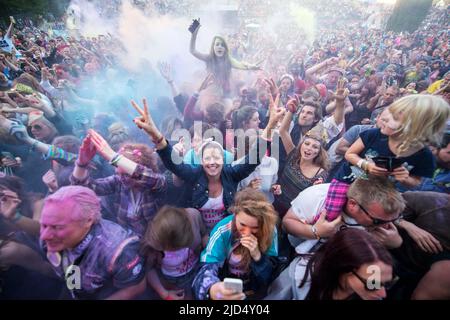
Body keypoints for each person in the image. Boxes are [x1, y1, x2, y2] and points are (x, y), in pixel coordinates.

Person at [130, 97, 284, 232]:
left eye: (216, 157)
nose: (212, 162)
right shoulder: (195, 174)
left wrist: (271, 125)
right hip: (200, 232)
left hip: (228, 229)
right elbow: (173, 164)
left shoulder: (231, 173)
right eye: (208, 158)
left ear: (223, 161)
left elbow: (254, 158)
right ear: (202, 161)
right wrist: (155, 134)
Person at [325, 94, 450, 221]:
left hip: (376, 192)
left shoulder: (424, 155)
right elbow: (349, 154)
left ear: (415, 128)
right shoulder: (373, 135)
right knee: (332, 214)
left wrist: (405, 178)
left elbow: (416, 182)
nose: (384, 118)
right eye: (390, 112)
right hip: (347, 179)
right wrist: (365, 165)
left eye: (394, 117)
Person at [39, 186, 146, 300]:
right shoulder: (50, 240)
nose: (44, 236)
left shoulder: (118, 252)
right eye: (44, 225)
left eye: (57, 227)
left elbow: (136, 287)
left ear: (88, 220)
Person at [71, 129, 167, 237]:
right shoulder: (119, 182)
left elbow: (149, 177)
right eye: (117, 172)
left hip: (157, 240)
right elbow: (85, 188)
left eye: (126, 174)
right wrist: (81, 164)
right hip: (130, 242)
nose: (121, 178)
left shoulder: (156, 183)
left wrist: (113, 157)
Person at [192, 190, 278, 300]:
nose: (247, 232)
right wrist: (212, 288)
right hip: (227, 284)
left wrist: (258, 257)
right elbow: (206, 267)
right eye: (242, 224)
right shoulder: (222, 230)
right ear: (235, 214)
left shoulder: (269, 231)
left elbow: (270, 276)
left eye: (255, 227)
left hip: (255, 290)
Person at [283, 176, 405, 254]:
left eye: (394, 219)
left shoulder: (381, 215)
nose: (386, 226)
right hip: (297, 248)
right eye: (377, 221)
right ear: (353, 205)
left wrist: (395, 243)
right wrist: (315, 231)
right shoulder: (316, 196)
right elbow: (286, 223)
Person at [266, 228, 396, 300]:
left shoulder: (368, 293)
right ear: (345, 270)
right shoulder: (297, 277)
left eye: (388, 283)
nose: (383, 294)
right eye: (373, 284)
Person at [392, 191, 450, 299]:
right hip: (387, 254)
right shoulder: (431, 201)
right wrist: (405, 224)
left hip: (412, 276)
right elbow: (377, 209)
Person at [142, 206, 207, 300]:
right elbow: (149, 269)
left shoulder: (194, 215)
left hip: (196, 269)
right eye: (172, 249)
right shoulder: (152, 243)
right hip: (171, 280)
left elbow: (204, 233)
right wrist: (164, 293)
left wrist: (207, 243)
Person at [189, 19, 260, 95]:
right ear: (213, 47)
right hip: (210, 90)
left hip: (225, 92)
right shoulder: (209, 58)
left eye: (222, 45)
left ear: (225, 48)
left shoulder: (228, 60)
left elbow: (241, 65)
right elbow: (193, 51)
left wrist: (252, 67)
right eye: (217, 44)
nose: (220, 47)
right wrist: (194, 35)